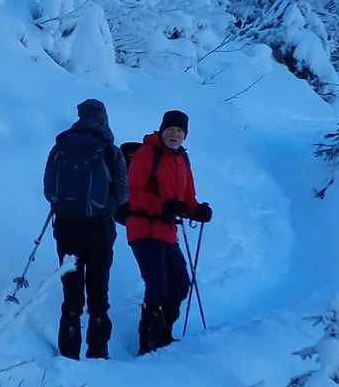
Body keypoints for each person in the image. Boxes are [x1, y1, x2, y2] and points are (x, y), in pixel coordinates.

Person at [42, 99, 130, 360]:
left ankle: (69, 353)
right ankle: (97, 351)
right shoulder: (110, 149)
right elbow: (122, 193)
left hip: (66, 227)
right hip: (100, 227)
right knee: (98, 290)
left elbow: (49, 189)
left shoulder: (61, 146)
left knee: (71, 293)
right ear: (104, 118)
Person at [125, 109, 213, 355]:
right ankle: (149, 342)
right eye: (170, 129)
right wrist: (162, 206)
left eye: (179, 131)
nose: (174, 134)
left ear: (185, 135)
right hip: (143, 228)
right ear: (162, 131)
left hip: (167, 231)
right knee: (157, 284)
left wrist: (197, 211)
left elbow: (187, 197)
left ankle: (162, 334)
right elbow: (133, 192)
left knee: (181, 284)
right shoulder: (146, 153)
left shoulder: (182, 159)